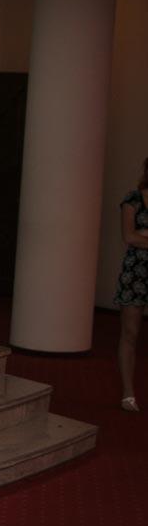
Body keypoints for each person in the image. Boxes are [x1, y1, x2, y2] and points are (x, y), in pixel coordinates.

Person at [113, 157, 148, 412]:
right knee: (130, 333)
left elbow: (139, 237)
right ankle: (128, 394)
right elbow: (129, 236)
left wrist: (143, 235)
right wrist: (138, 236)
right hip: (136, 273)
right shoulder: (133, 199)